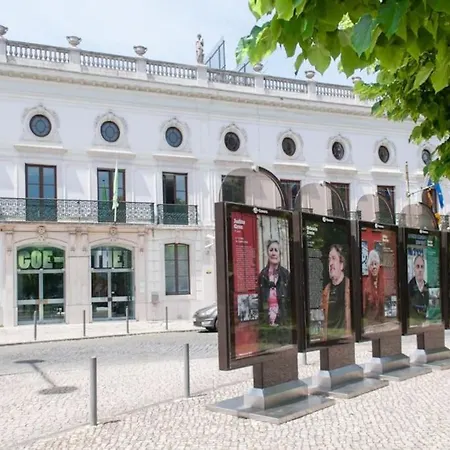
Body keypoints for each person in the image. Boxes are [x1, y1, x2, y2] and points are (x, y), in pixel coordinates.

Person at [257, 240, 291, 348]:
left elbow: (290, 302)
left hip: (283, 326)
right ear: (267, 252)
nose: (273, 253)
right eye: (271, 250)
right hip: (267, 327)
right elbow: (259, 303)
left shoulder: (286, 275)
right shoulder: (262, 275)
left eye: (276, 250)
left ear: (280, 253)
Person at [320, 244, 352, 341]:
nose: (330, 263)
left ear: (341, 265)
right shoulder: (326, 290)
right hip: (329, 341)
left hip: (345, 340)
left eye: (334, 259)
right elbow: (322, 319)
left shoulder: (350, 287)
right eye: (329, 260)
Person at [362, 249, 385, 326]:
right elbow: (364, 307)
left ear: (379, 266)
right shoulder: (367, 285)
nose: (374, 267)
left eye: (375, 264)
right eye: (371, 264)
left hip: (383, 322)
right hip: (371, 323)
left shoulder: (384, 281)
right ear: (369, 267)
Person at [408, 254, 429, 323]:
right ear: (414, 268)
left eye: (422, 267)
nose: (420, 270)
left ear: (424, 269)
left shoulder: (427, 287)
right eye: (417, 266)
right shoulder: (409, 287)